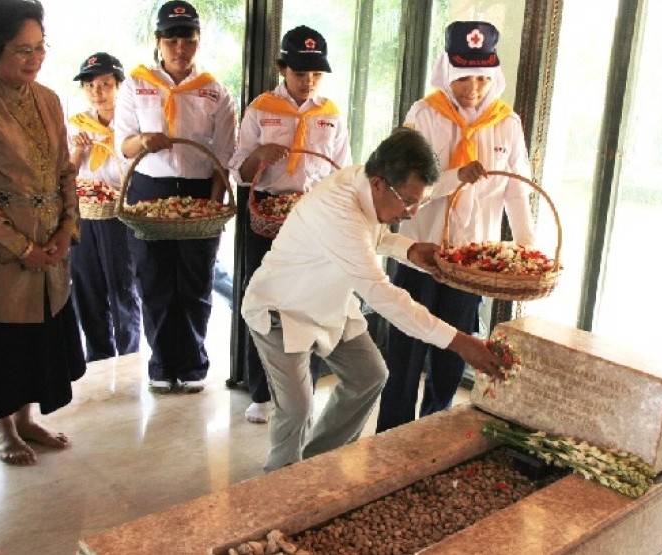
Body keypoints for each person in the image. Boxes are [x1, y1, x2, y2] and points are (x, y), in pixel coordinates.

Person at [241, 128, 505, 472]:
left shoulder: (367, 182)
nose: (411, 213)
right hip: (281, 308)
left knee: (369, 375)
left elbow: (375, 235)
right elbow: (383, 295)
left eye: (417, 202)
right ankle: (276, 487)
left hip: (330, 302)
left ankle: (315, 466)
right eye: (409, 201)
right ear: (379, 183)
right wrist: (459, 341)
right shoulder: (339, 210)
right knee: (297, 407)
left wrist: (408, 248)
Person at [0, 0, 86, 466]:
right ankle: (5, 430)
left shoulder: (48, 98)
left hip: (51, 248)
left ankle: (26, 420)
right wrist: (19, 246)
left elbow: (66, 170)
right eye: (21, 50)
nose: (34, 59)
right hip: (0, 253)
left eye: (40, 48)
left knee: (40, 339)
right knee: (6, 346)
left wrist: (68, 228)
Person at [376, 21, 536, 433]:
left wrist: (528, 250)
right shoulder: (424, 115)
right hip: (421, 251)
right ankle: (393, 431)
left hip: (472, 260)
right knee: (407, 343)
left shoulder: (508, 124)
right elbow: (404, 185)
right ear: (447, 71)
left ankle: (435, 426)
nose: (474, 88)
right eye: (464, 77)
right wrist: (453, 177)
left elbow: (516, 192)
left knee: (456, 346)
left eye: (483, 77)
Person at [229, 25, 350, 424]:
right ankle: (261, 392)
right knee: (264, 302)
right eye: (300, 73)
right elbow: (241, 172)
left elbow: (340, 172)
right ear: (283, 68)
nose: (308, 82)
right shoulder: (261, 108)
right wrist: (261, 154)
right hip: (267, 212)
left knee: (309, 304)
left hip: (312, 215)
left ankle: (304, 392)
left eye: (315, 74)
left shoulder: (330, 114)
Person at [115, 0, 236, 394]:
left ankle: (193, 365)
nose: (179, 47)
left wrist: (214, 204)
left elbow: (222, 155)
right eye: (171, 39)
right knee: (154, 279)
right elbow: (123, 145)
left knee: (195, 280)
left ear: (198, 41)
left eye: (187, 39)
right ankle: (162, 364)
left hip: (201, 192)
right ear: (158, 41)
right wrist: (144, 141)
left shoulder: (215, 92)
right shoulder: (136, 84)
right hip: (151, 190)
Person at [68, 52, 141, 363]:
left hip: (119, 213)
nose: (97, 92)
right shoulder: (76, 125)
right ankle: (98, 354)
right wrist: (78, 149)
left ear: (119, 86)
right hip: (85, 212)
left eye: (105, 84)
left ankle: (128, 357)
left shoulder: (131, 126)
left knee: (122, 286)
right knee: (86, 286)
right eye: (90, 86)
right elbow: (67, 175)